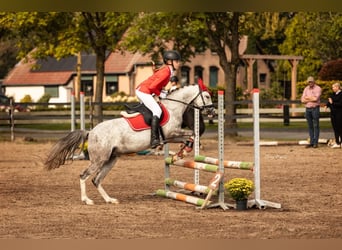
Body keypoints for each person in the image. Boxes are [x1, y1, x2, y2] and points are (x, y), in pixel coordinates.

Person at [135, 50, 181, 148]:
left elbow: (157, 82)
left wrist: (162, 92)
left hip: (145, 90)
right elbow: (152, 87)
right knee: (157, 110)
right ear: (169, 62)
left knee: (157, 109)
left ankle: (157, 135)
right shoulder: (166, 72)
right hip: (144, 91)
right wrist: (161, 94)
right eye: (177, 61)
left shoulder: (168, 71)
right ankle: (154, 139)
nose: (179, 63)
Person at [301, 76, 322, 148]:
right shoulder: (306, 89)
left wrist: (307, 98)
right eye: (309, 82)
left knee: (316, 125)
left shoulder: (318, 88)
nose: (310, 83)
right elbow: (302, 100)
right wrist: (311, 98)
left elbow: (316, 99)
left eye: (311, 81)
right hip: (308, 109)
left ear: (314, 81)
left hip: (315, 108)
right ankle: (311, 142)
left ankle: (315, 142)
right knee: (310, 126)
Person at [324, 82, 342, 148]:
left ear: (337, 87)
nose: (333, 88)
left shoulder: (341, 94)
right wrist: (326, 105)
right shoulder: (333, 94)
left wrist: (332, 103)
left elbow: (340, 104)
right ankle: (337, 142)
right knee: (335, 128)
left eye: (334, 87)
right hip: (333, 114)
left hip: (339, 114)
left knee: (340, 128)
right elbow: (329, 101)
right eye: (332, 87)